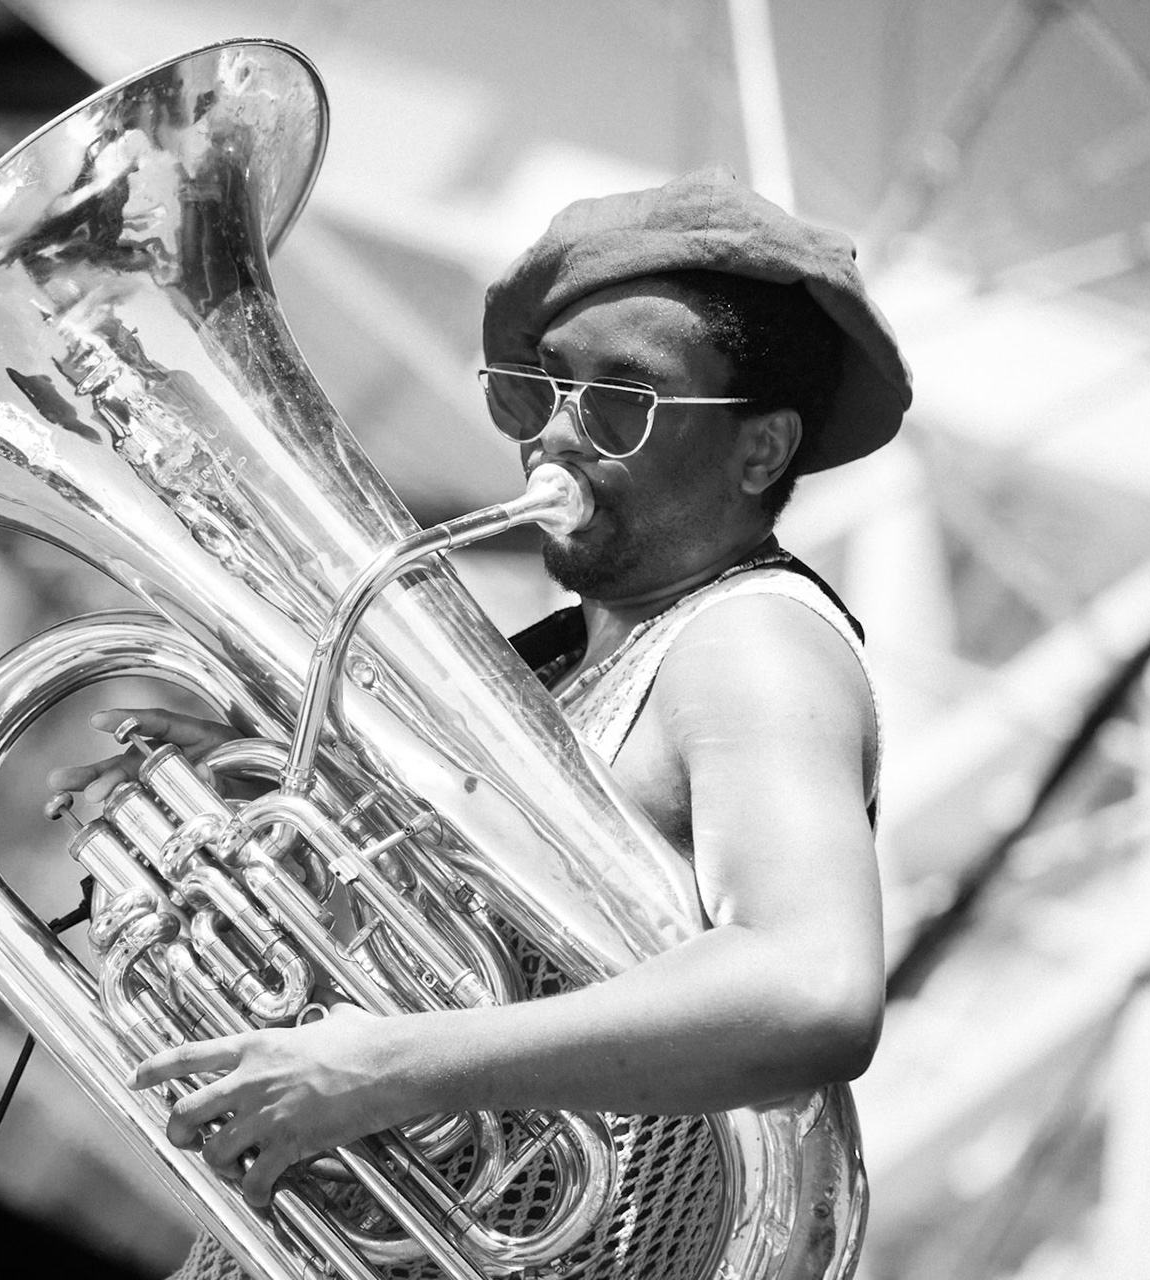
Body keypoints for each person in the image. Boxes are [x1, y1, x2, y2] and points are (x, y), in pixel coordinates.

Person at [50, 165, 913, 1276]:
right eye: (537, 386)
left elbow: (814, 985)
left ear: (761, 449)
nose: (554, 432)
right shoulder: (557, 664)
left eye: (619, 399)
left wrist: (394, 1065)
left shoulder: (750, 641)